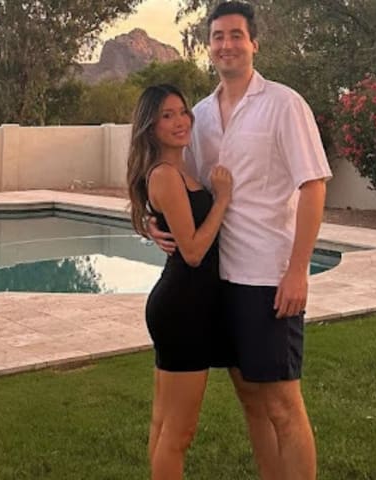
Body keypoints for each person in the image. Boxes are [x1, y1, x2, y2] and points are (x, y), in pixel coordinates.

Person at [148, 2, 333, 478]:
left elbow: (313, 186)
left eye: (235, 35)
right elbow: (179, 186)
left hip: (266, 278)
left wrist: (298, 270)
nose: (226, 45)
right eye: (218, 37)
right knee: (251, 401)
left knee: (283, 405)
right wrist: (150, 222)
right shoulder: (201, 116)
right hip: (216, 283)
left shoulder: (284, 105)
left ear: (254, 43)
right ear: (208, 46)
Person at [126, 84, 233, 480]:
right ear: (150, 127)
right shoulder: (167, 175)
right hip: (183, 310)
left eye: (182, 112)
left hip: (183, 305)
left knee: (164, 423)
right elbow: (192, 252)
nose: (180, 121)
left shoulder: (179, 171)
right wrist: (222, 199)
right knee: (179, 432)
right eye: (166, 116)